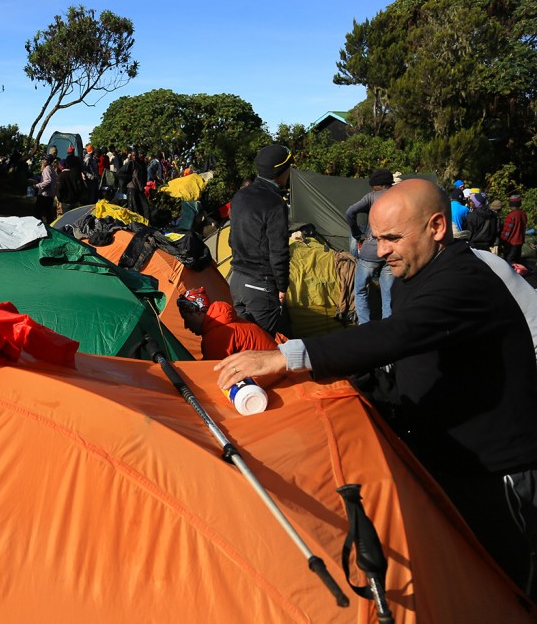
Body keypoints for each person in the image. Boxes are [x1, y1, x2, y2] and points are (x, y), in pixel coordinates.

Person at [215, 179, 537, 597]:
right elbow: (409, 360)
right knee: (461, 581)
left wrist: (288, 355)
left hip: (495, 471)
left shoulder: (464, 281)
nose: (380, 250)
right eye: (375, 238)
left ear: (437, 227)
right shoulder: (411, 276)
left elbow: (399, 334)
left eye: (392, 238)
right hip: (447, 459)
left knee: (505, 587)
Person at [228, 144, 293, 337]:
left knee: (245, 341)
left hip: (236, 280)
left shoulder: (240, 195)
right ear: (280, 171)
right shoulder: (275, 204)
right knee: (265, 344)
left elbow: (232, 239)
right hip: (259, 284)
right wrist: (282, 286)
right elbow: (279, 252)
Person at [345, 169, 395, 323]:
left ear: (378, 185)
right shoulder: (398, 196)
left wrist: (357, 234)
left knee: (360, 291)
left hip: (371, 252)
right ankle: (387, 328)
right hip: (391, 253)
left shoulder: (372, 197)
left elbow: (350, 212)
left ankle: (365, 327)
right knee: (388, 295)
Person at [177, 287, 279, 360]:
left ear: (198, 312)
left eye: (187, 318)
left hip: (275, 378)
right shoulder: (224, 322)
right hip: (278, 366)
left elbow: (213, 373)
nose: (186, 325)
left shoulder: (216, 336)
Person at [500, 195, 528, 266]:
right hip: (520, 242)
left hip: (511, 243)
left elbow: (507, 232)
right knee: (517, 263)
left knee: (509, 263)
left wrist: (502, 241)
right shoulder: (523, 214)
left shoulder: (511, 215)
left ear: (511, 204)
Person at [32, 156, 58, 224]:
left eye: (45, 160)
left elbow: (48, 181)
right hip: (50, 195)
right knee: (48, 213)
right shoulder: (51, 169)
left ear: (48, 161)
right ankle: (50, 225)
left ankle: (39, 226)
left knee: (37, 212)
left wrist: (37, 185)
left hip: (44, 195)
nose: (43, 161)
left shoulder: (47, 169)